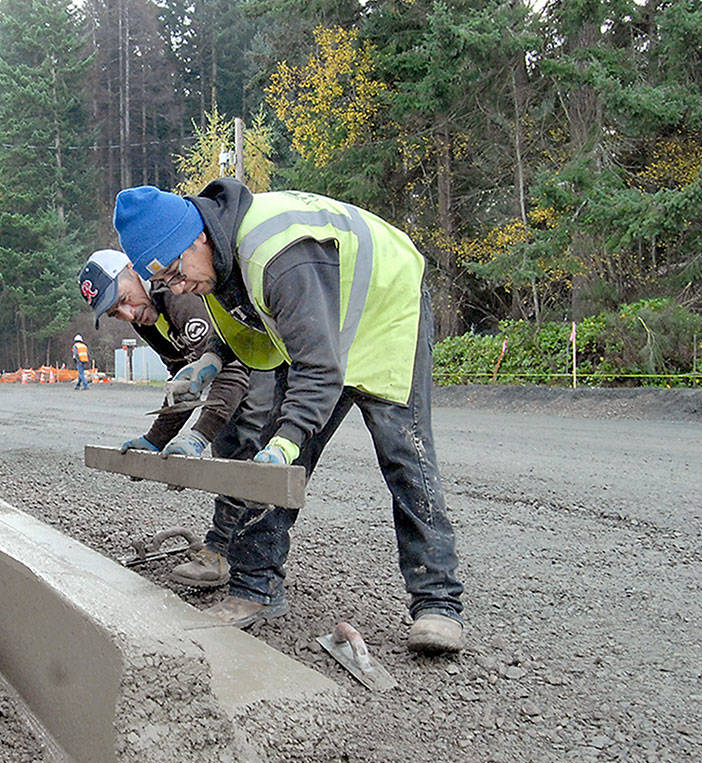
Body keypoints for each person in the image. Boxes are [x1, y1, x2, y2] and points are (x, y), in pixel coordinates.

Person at [112, 179, 465, 652]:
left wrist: (289, 439)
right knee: (271, 457)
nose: (178, 288)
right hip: (318, 323)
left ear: (196, 236)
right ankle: (255, 588)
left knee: (404, 452)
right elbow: (248, 323)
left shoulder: (277, 255)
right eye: (168, 283)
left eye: (176, 273)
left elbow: (318, 368)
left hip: (386, 312)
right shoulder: (215, 259)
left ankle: (437, 603)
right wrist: (212, 360)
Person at [78, 248, 274, 587]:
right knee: (231, 445)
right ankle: (232, 553)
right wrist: (156, 438)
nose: (127, 313)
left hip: (260, 366)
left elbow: (233, 366)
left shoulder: (174, 296)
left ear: (132, 270)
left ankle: (240, 563)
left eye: (124, 298)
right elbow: (181, 382)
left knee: (242, 451)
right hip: (235, 371)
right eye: (115, 312)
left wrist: (197, 436)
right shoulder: (147, 317)